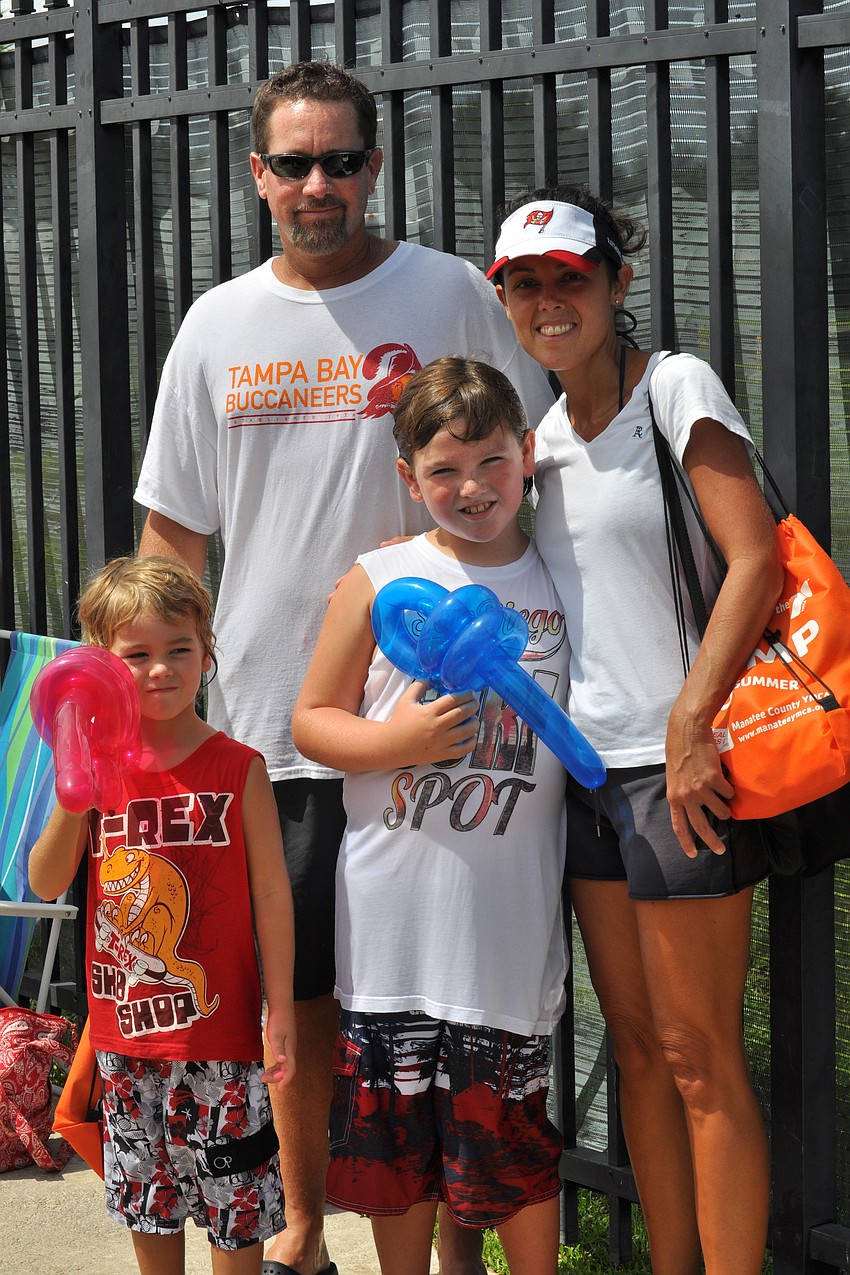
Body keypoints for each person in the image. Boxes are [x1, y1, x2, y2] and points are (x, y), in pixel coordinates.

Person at [133, 60, 554, 1275]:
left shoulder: (451, 293)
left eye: (342, 160)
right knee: (303, 1010)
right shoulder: (217, 324)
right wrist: (151, 709)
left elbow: (527, 462)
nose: (320, 184)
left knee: (446, 1008)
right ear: (257, 175)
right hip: (275, 719)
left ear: (377, 166)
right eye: (294, 163)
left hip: (438, 721)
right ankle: (305, 1225)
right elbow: (175, 533)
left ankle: (454, 1251)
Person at [487, 187, 783, 1275]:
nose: (549, 301)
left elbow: (751, 558)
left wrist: (693, 722)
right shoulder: (543, 438)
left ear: (616, 281)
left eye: (571, 277)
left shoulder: (676, 386)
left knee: (702, 1058)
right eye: (526, 284)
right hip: (585, 781)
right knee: (645, 1060)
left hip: (684, 772)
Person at [291, 356, 568, 1275]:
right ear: (408, 480)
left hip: (505, 940)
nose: (471, 487)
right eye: (443, 470)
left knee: (516, 1154)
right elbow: (311, 720)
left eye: (490, 460)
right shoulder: (379, 576)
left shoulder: (557, 578)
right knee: (393, 1161)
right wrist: (396, 743)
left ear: (526, 456)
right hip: (389, 937)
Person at [28, 555, 296, 1275]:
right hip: (124, 1040)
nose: (160, 668)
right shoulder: (94, 774)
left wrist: (281, 1010)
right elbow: (47, 881)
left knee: (235, 1213)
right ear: (102, 667)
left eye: (179, 648)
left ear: (207, 651)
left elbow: (272, 893)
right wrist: (73, 786)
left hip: (224, 1036)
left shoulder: (238, 766)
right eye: (136, 654)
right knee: (150, 1205)